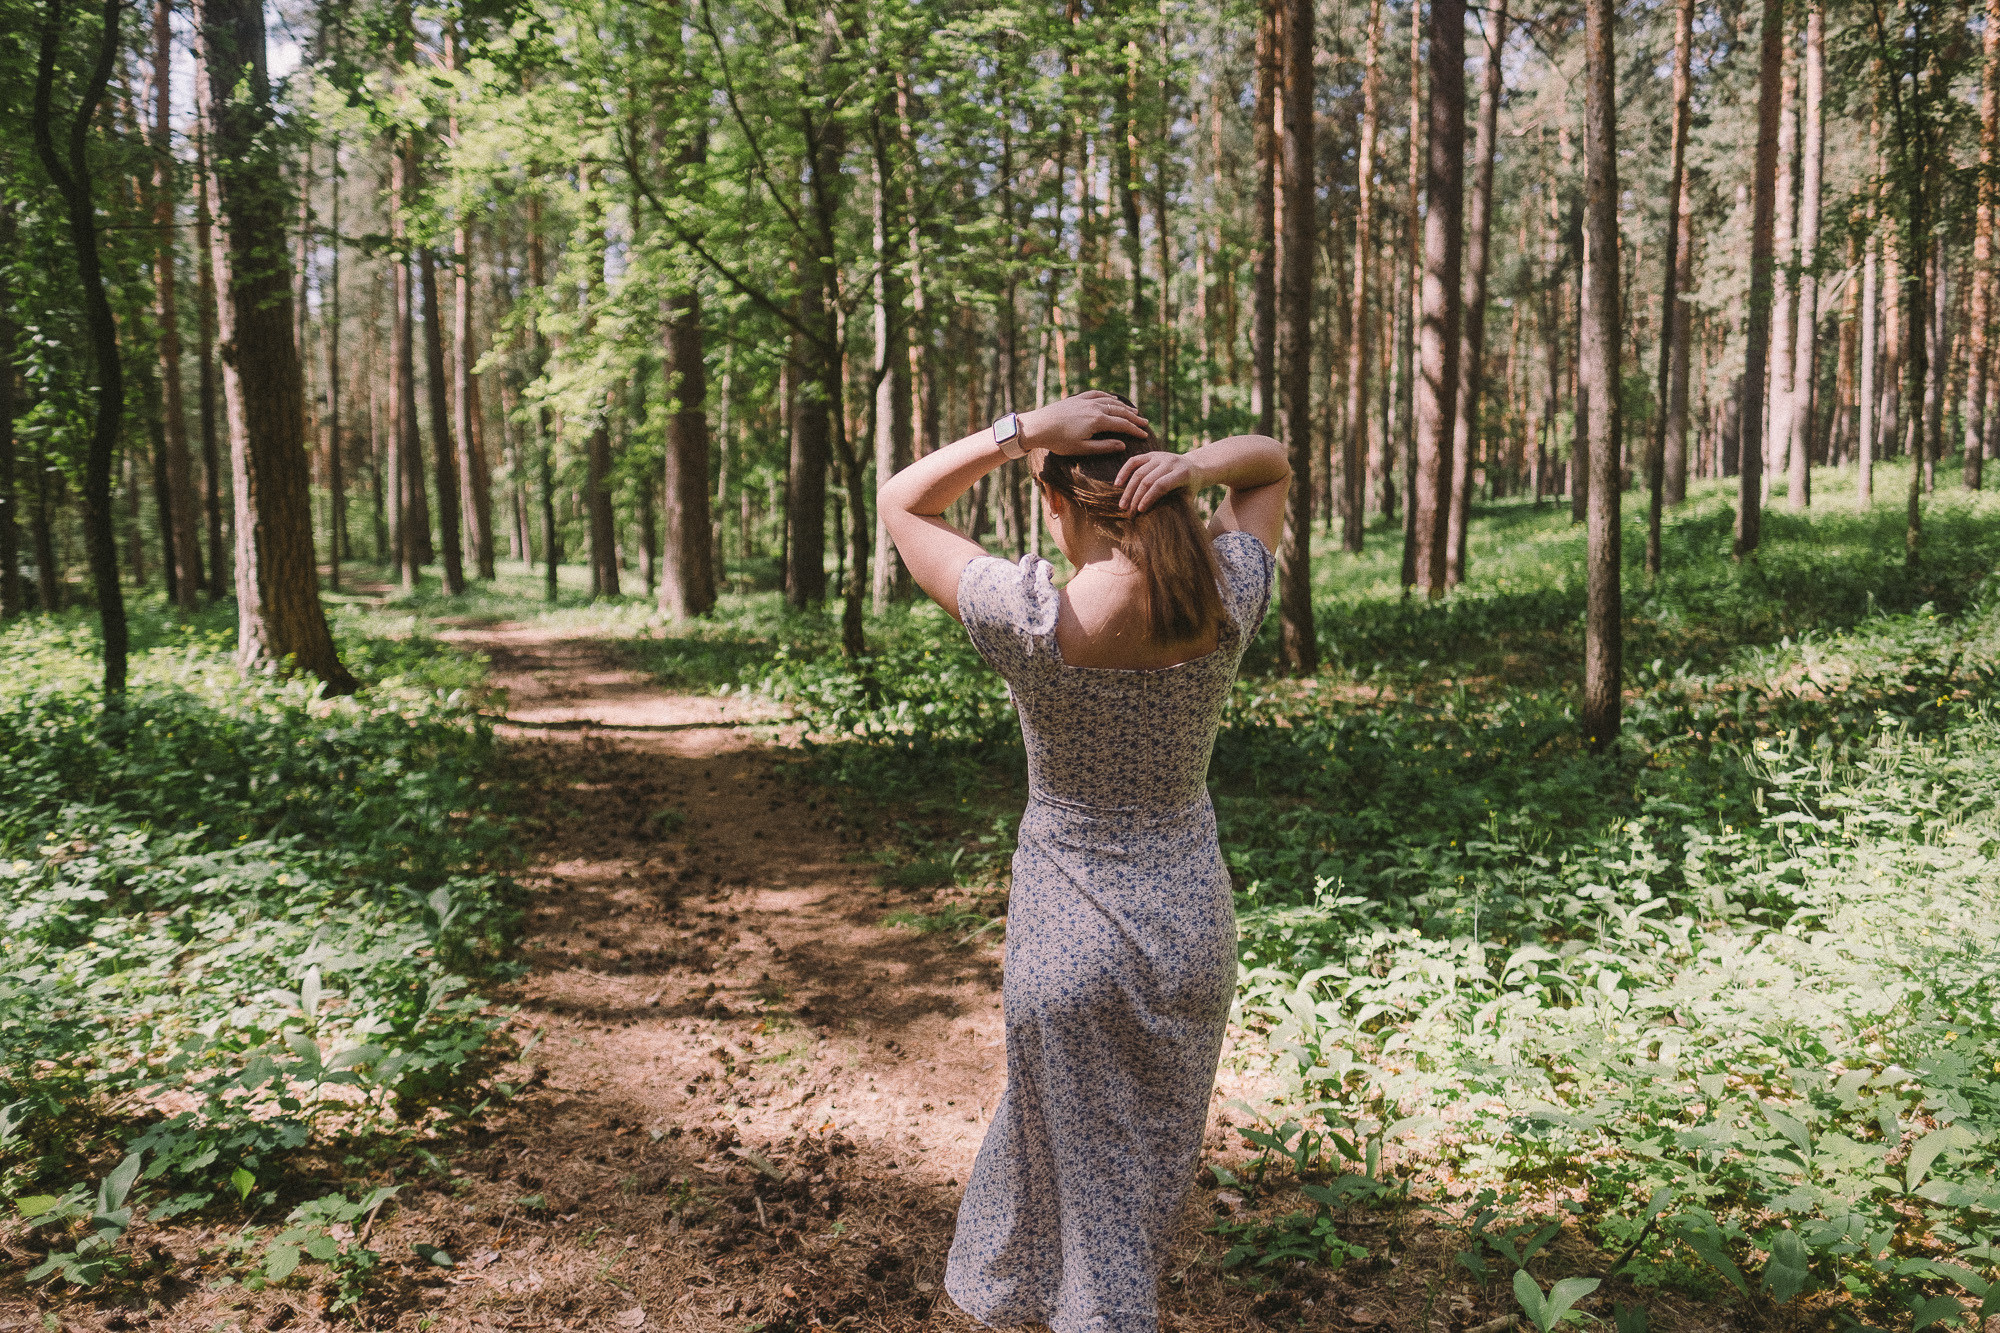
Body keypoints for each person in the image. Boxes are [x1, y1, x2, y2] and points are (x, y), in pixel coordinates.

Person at [878, 390, 1290, 1333]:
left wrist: (1021, 432)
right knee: (1123, 1202)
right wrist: (1197, 469)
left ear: (1062, 507)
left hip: (1068, 940)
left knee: (1093, 1228)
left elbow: (904, 502)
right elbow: (1271, 463)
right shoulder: (1226, 591)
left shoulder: (1033, 620)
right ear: (1164, 497)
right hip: (1191, 933)